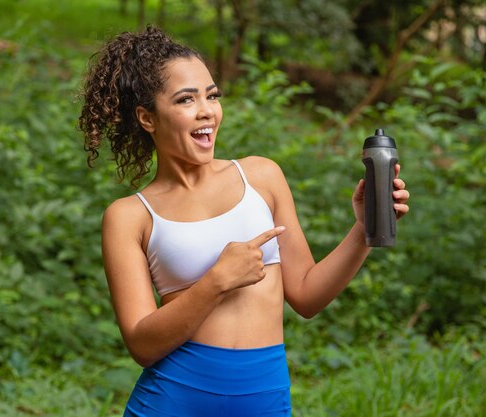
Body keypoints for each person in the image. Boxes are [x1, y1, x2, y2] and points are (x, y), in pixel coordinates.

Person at [79, 26, 409, 417]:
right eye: (186, 99)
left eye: (212, 95)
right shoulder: (129, 217)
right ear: (147, 118)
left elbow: (306, 296)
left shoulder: (261, 177)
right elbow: (142, 345)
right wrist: (217, 281)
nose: (207, 111)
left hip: (263, 399)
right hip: (173, 401)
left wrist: (364, 229)